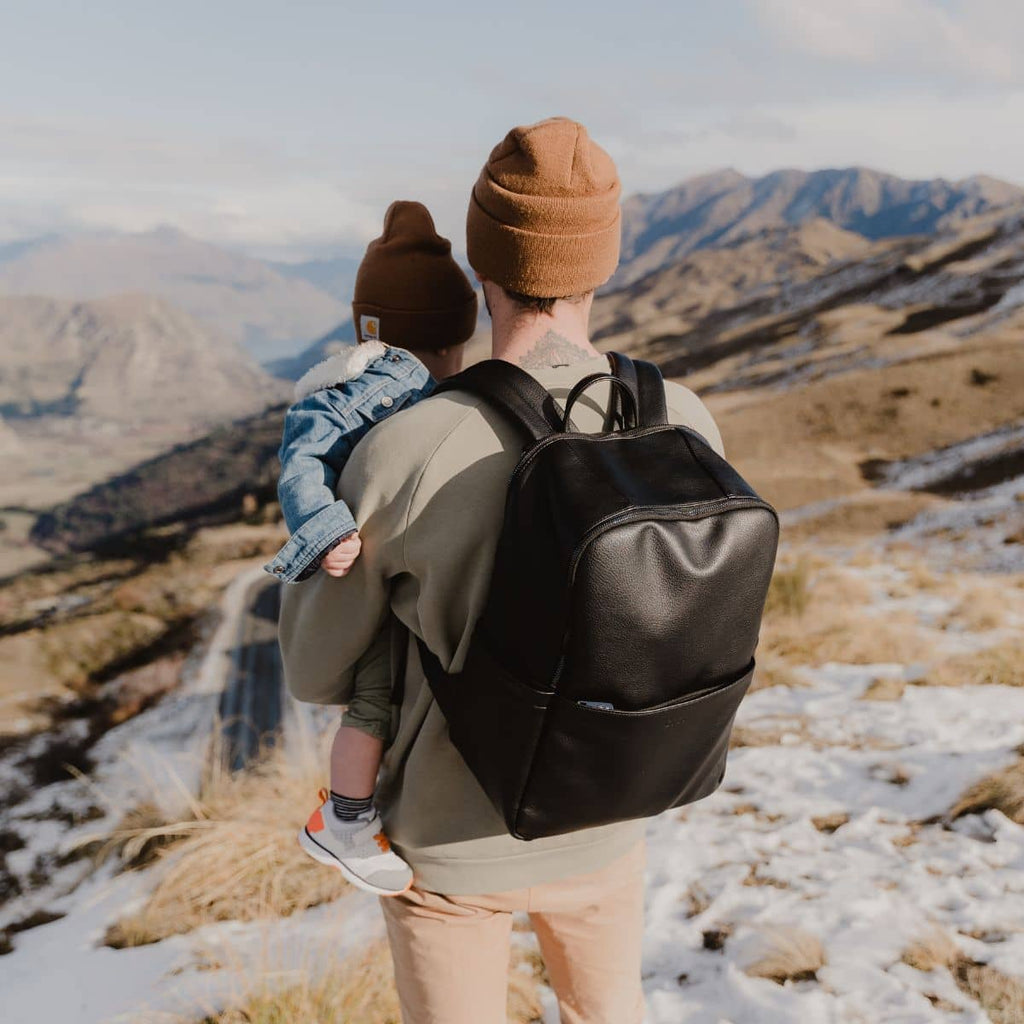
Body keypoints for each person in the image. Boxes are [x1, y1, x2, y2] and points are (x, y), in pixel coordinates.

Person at [279, 116, 725, 1024]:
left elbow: (313, 669)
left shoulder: (408, 449)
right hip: (611, 815)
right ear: (602, 263)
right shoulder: (684, 420)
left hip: (445, 849)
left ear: (484, 271)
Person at [267, 200, 477, 895]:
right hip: (367, 573)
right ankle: (345, 821)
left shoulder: (416, 384)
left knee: (378, 701)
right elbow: (303, 459)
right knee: (373, 700)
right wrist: (326, 527)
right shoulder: (383, 387)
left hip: (389, 573)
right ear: (451, 334)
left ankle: (352, 813)